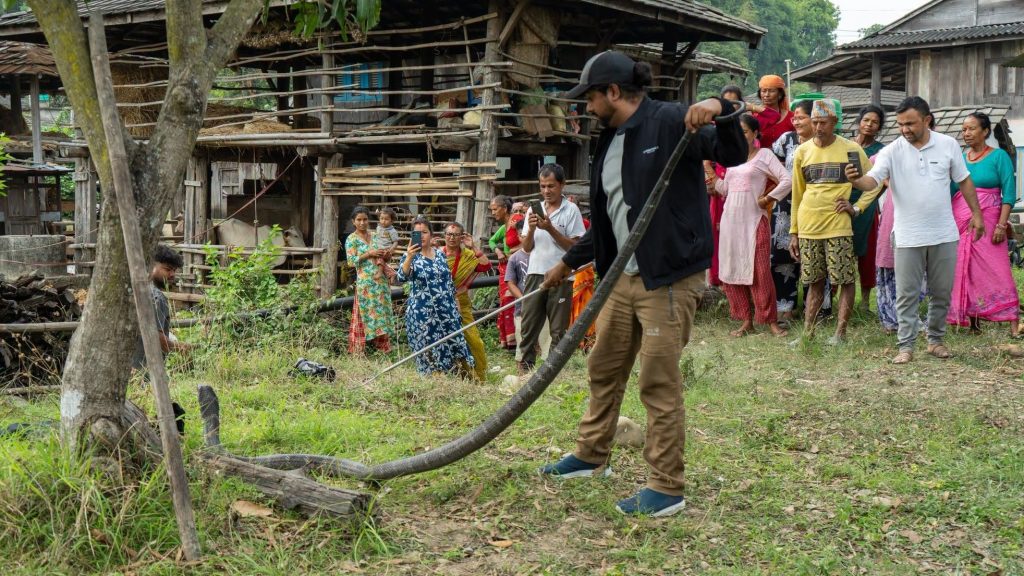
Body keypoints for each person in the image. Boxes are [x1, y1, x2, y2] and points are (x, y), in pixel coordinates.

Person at [537, 50, 747, 516]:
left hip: (667, 278)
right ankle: (591, 455)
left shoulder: (671, 121)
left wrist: (718, 106)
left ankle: (667, 488)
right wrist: (567, 263)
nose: (586, 106)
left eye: (591, 96)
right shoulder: (608, 140)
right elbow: (610, 221)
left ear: (613, 91)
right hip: (620, 277)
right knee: (603, 367)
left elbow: (732, 153)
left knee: (658, 381)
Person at [847, 96, 986, 364]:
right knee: (906, 294)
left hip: (944, 234)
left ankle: (935, 341)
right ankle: (906, 346)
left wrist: (977, 216)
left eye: (910, 124)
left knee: (941, 292)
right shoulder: (891, 151)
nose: (904, 129)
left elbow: (964, 181)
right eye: (900, 124)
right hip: (908, 235)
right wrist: (856, 180)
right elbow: (872, 181)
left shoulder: (947, 145)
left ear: (926, 120)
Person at [789, 99, 882, 344]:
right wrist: (794, 231)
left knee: (845, 279)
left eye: (823, 122)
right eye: (815, 122)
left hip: (838, 225)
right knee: (813, 281)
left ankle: (840, 333)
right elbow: (797, 193)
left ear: (835, 122)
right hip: (808, 225)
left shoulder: (851, 149)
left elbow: (874, 183)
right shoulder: (802, 151)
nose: (818, 127)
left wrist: (857, 207)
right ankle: (807, 334)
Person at [713, 114, 791, 337]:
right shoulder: (732, 158)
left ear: (755, 133)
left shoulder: (764, 155)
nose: (740, 135)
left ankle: (771, 321)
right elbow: (725, 189)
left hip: (755, 220)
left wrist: (768, 199)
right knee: (733, 268)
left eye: (745, 131)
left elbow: (787, 179)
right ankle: (746, 321)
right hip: (731, 221)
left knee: (761, 272)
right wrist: (709, 171)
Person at [948, 112, 1019, 337]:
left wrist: (1001, 225)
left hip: (989, 221)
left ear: (985, 131)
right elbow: (952, 190)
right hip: (960, 220)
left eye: (971, 128)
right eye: (964, 129)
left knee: (999, 269)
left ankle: (1013, 323)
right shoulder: (960, 158)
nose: (966, 133)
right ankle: (973, 322)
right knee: (965, 268)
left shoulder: (999, 156)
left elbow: (1009, 193)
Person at [519, 163, 586, 371]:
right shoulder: (533, 209)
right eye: (542, 186)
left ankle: (554, 372)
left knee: (558, 329)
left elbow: (575, 247)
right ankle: (525, 368)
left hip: (561, 275)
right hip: (535, 273)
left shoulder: (571, 210)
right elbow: (526, 248)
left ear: (562, 185)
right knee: (529, 325)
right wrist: (532, 229)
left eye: (551, 186)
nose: (546, 191)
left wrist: (550, 229)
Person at [396, 217, 475, 375]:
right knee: (429, 350)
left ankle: (458, 378)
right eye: (417, 233)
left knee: (454, 344)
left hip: (446, 310)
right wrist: (410, 257)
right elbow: (401, 277)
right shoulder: (409, 257)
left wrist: (456, 303)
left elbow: (448, 282)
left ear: (431, 234)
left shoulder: (440, 254)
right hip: (423, 314)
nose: (421, 236)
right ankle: (434, 381)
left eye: (424, 232)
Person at [770, 98, 815, 323]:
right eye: (794, 117)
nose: (796, 121)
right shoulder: (785, 140)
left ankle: (813, 308)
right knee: (783, 254)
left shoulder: (822, 142)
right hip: (785, 205)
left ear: (814, 119)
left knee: (813, 254)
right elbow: (773, 167)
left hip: (813, 205)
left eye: (801, 117)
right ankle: (784, 306)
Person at [441, 221, 492, 381]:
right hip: (440, 305)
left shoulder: (468, 255)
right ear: (444, 236)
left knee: (474, 341)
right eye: (449, 234)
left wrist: (473, 246)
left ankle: (477, 376)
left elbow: (485, 266)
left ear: (461, 237)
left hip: (461, 305)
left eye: (456, 235)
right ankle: (449, 377)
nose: (452, 238)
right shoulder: (436, 255)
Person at [705, 85, 744, 288]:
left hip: (738, 187)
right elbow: (705, 159)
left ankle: (736, 276)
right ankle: (717, 277)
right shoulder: (713, 126)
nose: (729, 106)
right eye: (725, 101)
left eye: (733, 102)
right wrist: (711, 178)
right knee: (716, 229)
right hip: (717, 186)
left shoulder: (744, 128)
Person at [850, 105, 887, 311]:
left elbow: (882, 182)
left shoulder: (881, 151)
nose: (869, 125)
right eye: (866, 120)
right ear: (859, 121)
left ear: (879, 127)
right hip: (842, 203)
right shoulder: (845, 145)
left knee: (867, 253)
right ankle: (837, 298)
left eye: (875, 122)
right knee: (841, 251)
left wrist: (869, 201)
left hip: (867, 208)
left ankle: (864, 302)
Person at [132, 244, 192, 370]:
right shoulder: (157, 297)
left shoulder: (139, 290)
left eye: (174, 270)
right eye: (167, 269)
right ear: (151, 266)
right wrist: (183, 347)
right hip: (146, 368)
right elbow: (156, 337)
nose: (172, 274)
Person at [345, 206, 395, 354]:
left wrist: (386, 255)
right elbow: (351, 262)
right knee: (363, 314)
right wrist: (369, 254)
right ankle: (358, 350)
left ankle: (382, 350)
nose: (362, 223)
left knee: (381, 314)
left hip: (381, 282)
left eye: (365, 219)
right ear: (353, 222)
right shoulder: (351, 239)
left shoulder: (375, 235)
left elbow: (385, 257)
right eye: (359, 220)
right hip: (365, 283)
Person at [505, 216, 551, 365]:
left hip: (544, 305)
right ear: (518, 236)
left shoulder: (545, 255)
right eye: (522, 235)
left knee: (547, 341)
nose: (525, 237)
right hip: (522, 308)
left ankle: (547, 369)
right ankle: (523, 369)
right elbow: (511, 283)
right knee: (522, 341)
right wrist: (524, 299)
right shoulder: (514, 258)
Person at [566, 194, 596, 349]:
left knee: (584, 301)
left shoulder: (584, 223)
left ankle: (586, 338)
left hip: (582, 266)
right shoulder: (561, 222)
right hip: (566, 264)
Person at [488, 195, 517, 351]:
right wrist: (498, 251)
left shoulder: (516, 221)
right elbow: (491, 241)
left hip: (518, 266)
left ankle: (518, 340)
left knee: (513, 301)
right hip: (507, 267)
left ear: (504, 208)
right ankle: (509, 341)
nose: (493, 213)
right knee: (506, 302)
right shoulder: (504, 227)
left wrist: (512, 252)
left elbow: (529, 242)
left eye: (495, 209)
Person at [748, 75, 794, 149]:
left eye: (771, 91)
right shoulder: (753, 117)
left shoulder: (791, 117)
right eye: (764, 91)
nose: (767, 95)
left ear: (780, 94)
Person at [373, 207, 400, 281]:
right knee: (381, 262)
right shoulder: (378, 227)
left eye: (386, 219)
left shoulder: (392, 231)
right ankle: (391, 273)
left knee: (380, 259)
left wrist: (390, 250)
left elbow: (395, 242)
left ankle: (380, 272)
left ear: (392, 220)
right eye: (381, 218)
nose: (383, 221)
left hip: (386, 250)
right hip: (378, 248)